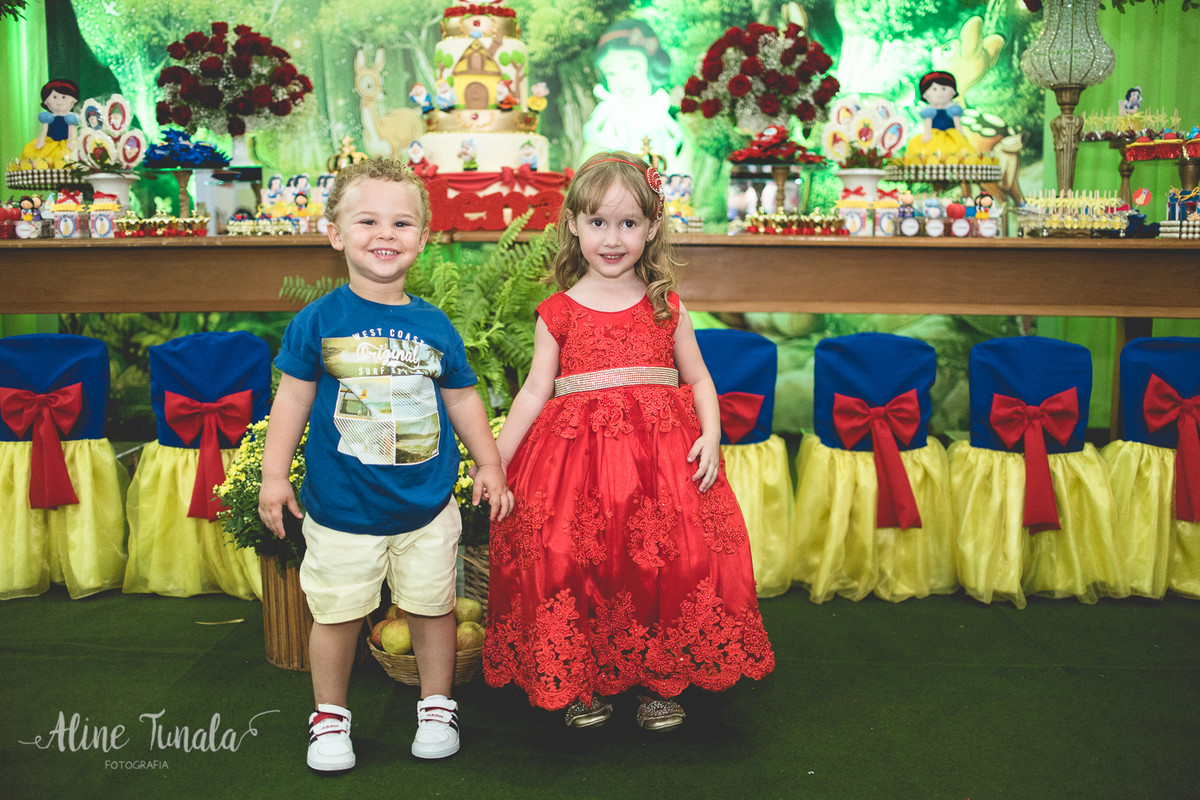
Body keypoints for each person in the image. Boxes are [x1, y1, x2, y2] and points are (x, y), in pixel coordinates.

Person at [483, 151, 775, 732]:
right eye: (597, 223)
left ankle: (657, 681)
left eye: (627, 224)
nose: (612, 239)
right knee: (572, 561)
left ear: (651, 228)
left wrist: (712, 435)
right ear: (573, 225)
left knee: (664, 565)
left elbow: (697, 378)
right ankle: (580, 680)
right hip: (574, 466)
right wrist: (495, 463)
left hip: (660, 465)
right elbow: (533, 391)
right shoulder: (557, 314)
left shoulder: (667, 307)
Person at [258, 157, 513, 771]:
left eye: (402, 223)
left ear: (423, 238)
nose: (385, 234)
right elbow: (291, 398)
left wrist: (490, 464)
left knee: (433, 607)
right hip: (341, 509)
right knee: (338, 614)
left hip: (425, 507)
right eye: (367, 220)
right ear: (335, 233)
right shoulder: (317, 321)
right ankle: (329, 716)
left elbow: (461, 397)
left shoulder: (432, 325)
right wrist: (272, 476)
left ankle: (436, 704)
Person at [902, 71, 974, 165]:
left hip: (952, 136)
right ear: (925, 95)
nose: (940, 93)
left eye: (944, 89)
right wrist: (926, 134)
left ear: (953, 92)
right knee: (926, 152)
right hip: (933, 135)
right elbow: (927, 126)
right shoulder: (929, 112)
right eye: (934, 89)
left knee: (959, 152)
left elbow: (958, 125)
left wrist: (960, 134)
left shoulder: (953, 110)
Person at [21, 79, 81, 166]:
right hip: (49, 143)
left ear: (73, 101)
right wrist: (40, 141)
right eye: (54, 97)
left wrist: (72, 142)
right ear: (46, 102)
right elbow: (44, 130)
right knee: (44, 159)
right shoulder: (48, 118)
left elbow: (72, 132)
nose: (59, 101)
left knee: (69, 158)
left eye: (64, 97)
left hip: (67, 143)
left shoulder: (71, 118)